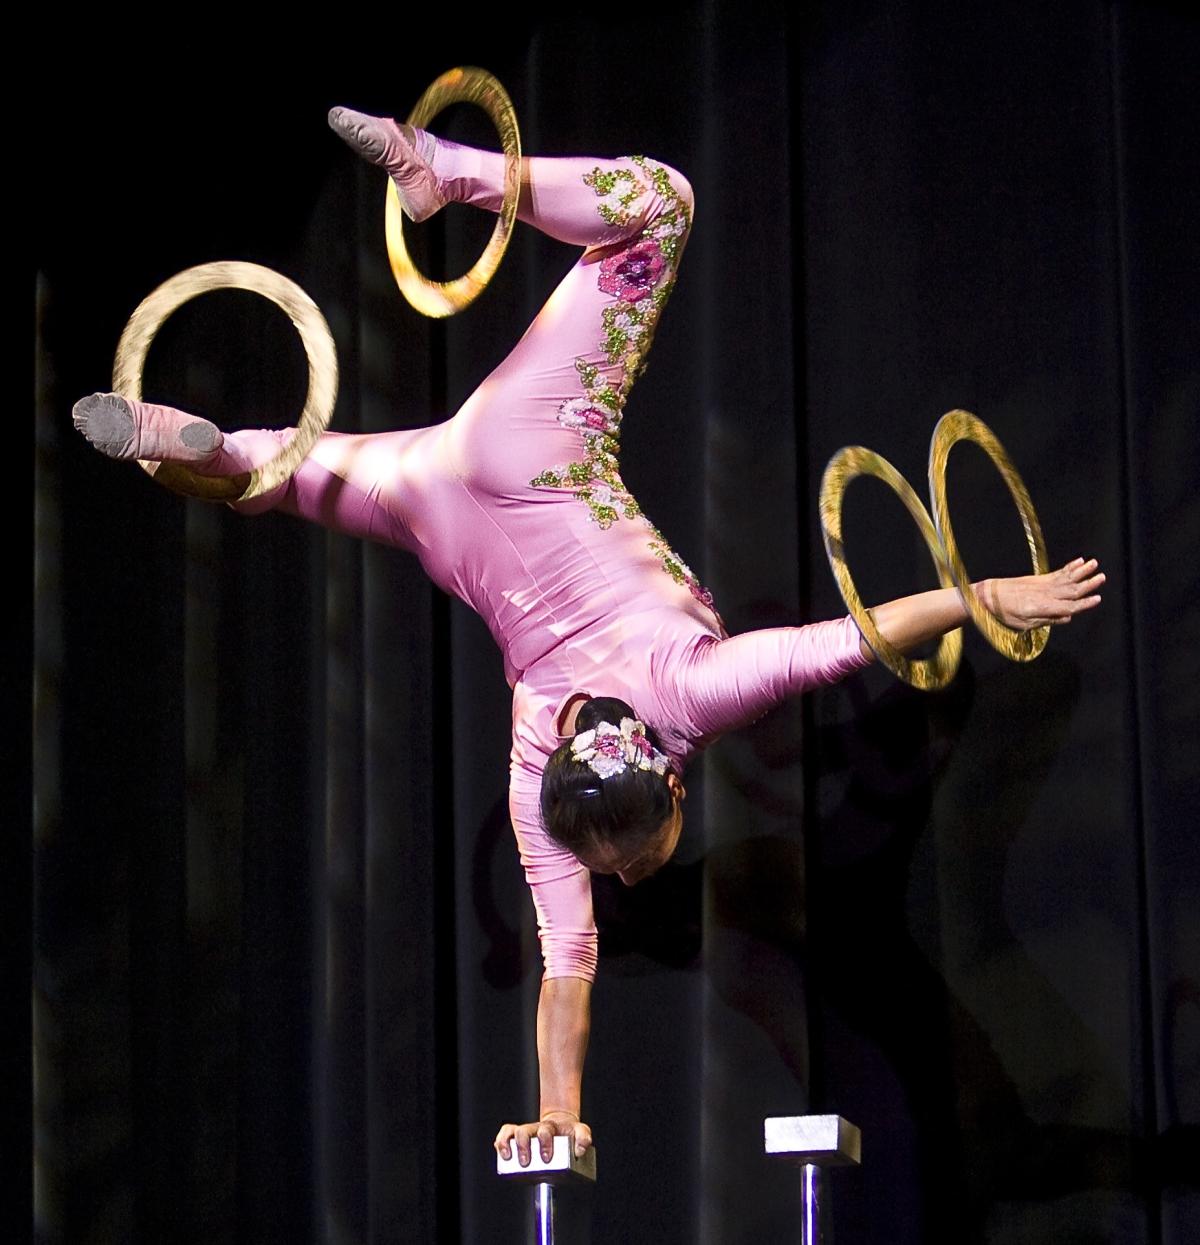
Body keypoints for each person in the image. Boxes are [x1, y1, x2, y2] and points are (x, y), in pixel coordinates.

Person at [72, 108, 1104, 1170]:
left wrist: (981, 597)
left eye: (618, 862)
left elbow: (855, 638)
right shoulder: (540, 775)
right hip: (442, 503)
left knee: (661, 208)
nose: (622, 877)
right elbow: (567, 958)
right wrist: (555, 1111)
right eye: (632, 861)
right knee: (288, 478)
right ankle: (194, 442)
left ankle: (432, 182)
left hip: (512, 456)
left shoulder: (690, 696)